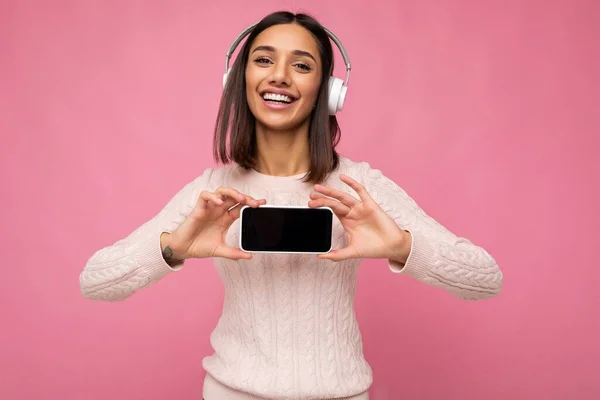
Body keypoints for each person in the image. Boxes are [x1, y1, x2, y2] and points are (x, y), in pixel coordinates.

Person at [79, 10, 503, 400]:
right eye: (263, 60)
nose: (280, 76)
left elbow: (485, 278)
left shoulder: (359, 187)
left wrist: (403, 247)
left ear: (329, 92)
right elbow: (96, 282)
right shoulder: (214, 194)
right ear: (237, 79)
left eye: (301, 65)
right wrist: (173, 246)